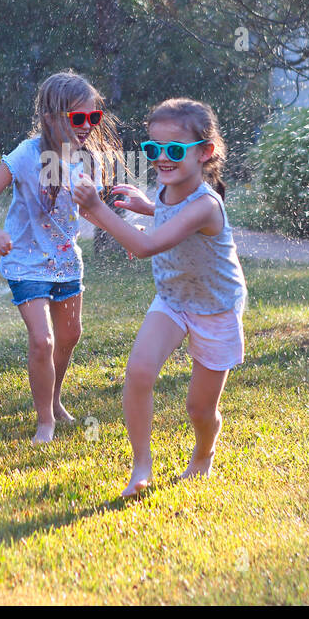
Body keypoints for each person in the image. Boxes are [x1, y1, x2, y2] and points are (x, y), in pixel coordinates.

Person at [73, 98, 246, 496]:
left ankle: (204, 453)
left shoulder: (206, 204)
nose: (160, 159)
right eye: (152, 150)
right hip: (171, 298)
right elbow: (169, 216)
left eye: (173, 151)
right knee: (138, 373)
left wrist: (99, 209)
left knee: (199, 409)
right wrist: (147, 207)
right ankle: (141, 468)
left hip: (214, 307)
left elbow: (148, 247)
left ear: (205, 153)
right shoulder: (167, 190)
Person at [0, 71, 121, 444]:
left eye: (93, 118)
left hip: (66, 261)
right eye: (77, 118)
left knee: (71, 334)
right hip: (25, 261)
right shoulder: (26, 155)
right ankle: (44, 422)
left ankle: (54, 400)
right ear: (51, 117)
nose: (87, 126)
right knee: (43, 340)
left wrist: (125, 231)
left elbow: (87, 212)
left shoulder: (88, 160)